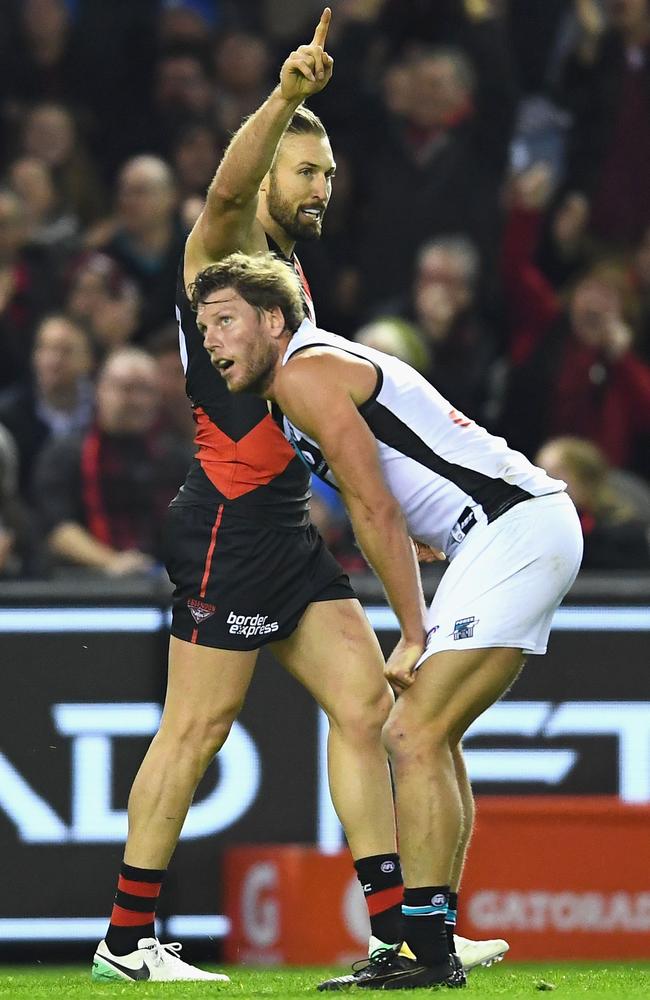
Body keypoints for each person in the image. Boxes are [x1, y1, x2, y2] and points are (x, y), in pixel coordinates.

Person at [92, 8, 411, 985]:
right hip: (225, 523)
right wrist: (283, 97)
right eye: (304, 171)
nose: (320, 187)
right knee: (194, 731)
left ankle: (399, 937)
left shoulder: (287, 272)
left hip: (280, 525)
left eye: (325, 174)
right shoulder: (221, 244)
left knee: (363, 708)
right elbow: (226, 185)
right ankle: (124, 941)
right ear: (270, 168)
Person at [189, 251, 583, 990]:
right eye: (204, 326)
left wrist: (412, 628)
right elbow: (404, 472)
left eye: (225, 322)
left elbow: (374, 505)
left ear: (273, 321)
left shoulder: (302, 375)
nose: (210, 341)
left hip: (513, 527)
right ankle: (431, 940)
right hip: (502, 528)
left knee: (411, 730)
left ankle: (426, 953)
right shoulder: (305, 373)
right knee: (431, 732)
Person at [34, 347, 190, 577]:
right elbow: (57, 527)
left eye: (145, 390)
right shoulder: (65, 452)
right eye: (125, 388)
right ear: (100, 390)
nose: (134, 400)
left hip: (166, 584)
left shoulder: (178, 459)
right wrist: (112, 563)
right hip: (85, 585)